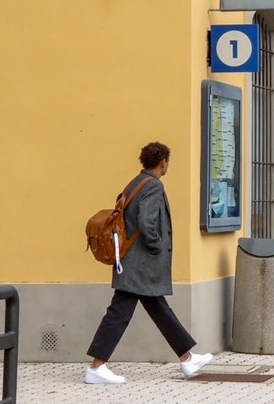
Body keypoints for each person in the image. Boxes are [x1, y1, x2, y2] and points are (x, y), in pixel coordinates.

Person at [85, 142, 212, 384]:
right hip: (140, 262)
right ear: (163, 161)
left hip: (132, 262)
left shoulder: (137, 182)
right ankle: (96, 367)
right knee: (119, 313)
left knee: (157, 307)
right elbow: (146, 221)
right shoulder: (153, 185)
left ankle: (187, 358)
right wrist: (155, 245)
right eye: (167, 161)